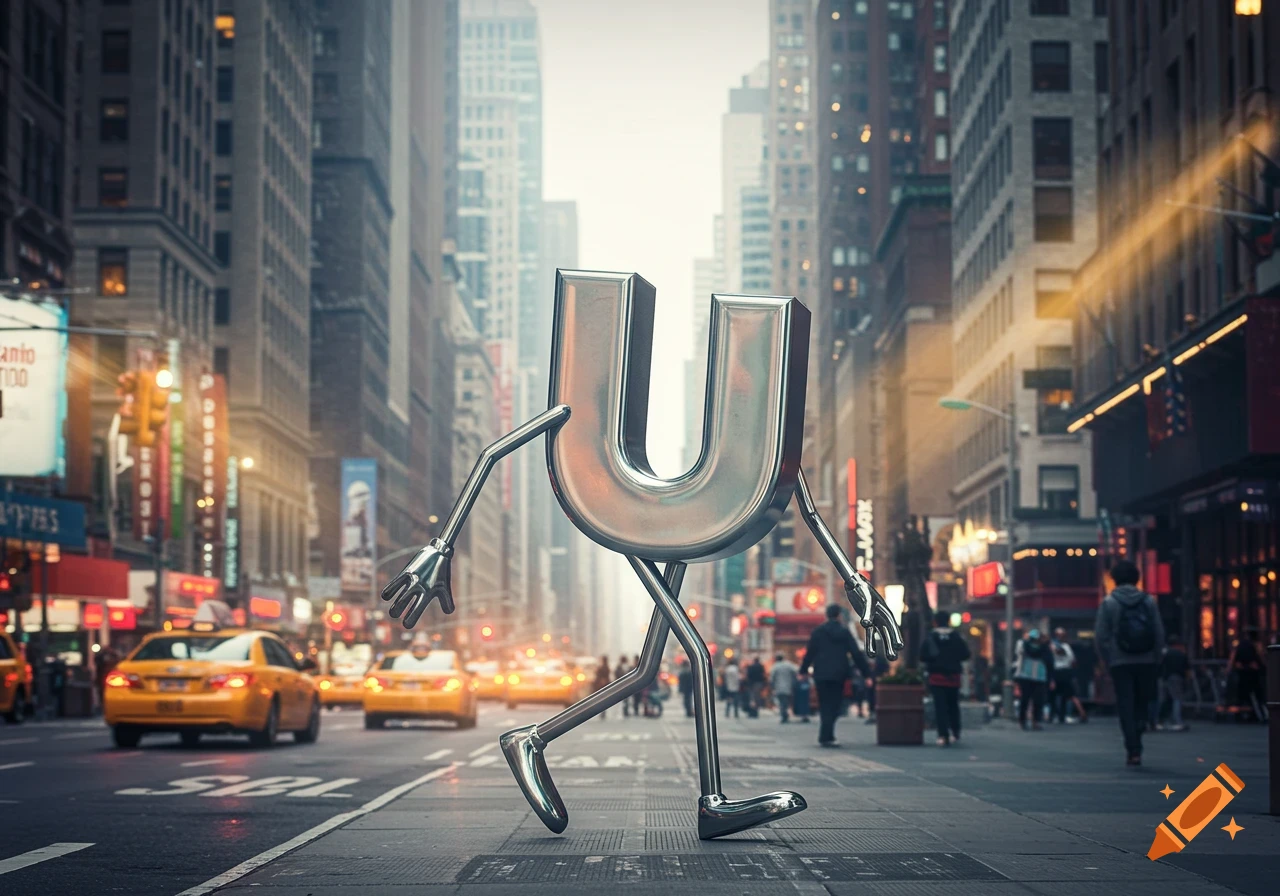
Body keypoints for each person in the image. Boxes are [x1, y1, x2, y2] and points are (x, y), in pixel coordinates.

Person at [1094, 560, 1165, 765]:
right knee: (1143, 700)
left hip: (1120, 661)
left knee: (1125, 703)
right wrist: (1157, 657)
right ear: (1137, 578)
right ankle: (1141, 726)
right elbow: (1159, 632)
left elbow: (1100, 636)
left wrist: (1106, 660)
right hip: (1146, 660)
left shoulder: (1109, 603)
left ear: (1114, 579)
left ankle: (1133, 748)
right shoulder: (1149, 601)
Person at [801, 604, 871, 747]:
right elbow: (856, 654)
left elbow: (810, 654)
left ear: (826, 615)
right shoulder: (844, 632)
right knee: (835, 704)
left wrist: (803, 671)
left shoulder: (818, 632)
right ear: (839, 615)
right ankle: (827, 735)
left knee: (824, 704)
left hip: (820, 673)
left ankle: (826, 735)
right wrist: (866, 674)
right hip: (839, 674)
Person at [921, 610, 970, 746]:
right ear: (949, 621)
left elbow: (923, 656)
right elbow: (966, 654)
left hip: (936, 677)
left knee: (940, 706)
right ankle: (956, 731)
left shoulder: (931, 637)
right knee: (953, 704)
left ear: (935, 622)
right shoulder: (956, 637)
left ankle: (943, 735)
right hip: (953, 677)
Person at [1014, 629, 1052, 731]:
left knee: (1038, 701)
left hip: (1039, 677)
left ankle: (1035, 721)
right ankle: (1023, 721)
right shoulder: (1024, 646)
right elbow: (1023, 653)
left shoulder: (1045, 648)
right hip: (1026, 676)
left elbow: (1050, 662)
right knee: (1025, 700)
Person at [1228, 628, 1267, 721]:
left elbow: (1233, 658)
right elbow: (1261, 658)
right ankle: (1258, 715)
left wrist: (1229, 669)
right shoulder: (1256, 645)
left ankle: (1241, 715)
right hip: (1253, 673)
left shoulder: (1240, 645)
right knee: (1258, 695)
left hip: (1242, 673)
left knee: (1242, 695)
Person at [1050, 628, 1088, 724]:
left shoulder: (1054, 646)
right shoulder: (1066, 646)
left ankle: (1055, 716)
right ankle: (1062, 716)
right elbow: (1073, 661)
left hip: (1058, 672)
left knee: (1056, 695)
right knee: (1067, 695)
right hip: (1065, 671)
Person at [1160, 634, 1190, 731]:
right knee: (1177, 699)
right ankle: (1177, 720)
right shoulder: (1180, 654)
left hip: (1167, 677)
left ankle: (1165, 719)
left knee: (1169, 698)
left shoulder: (1166, 654)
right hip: (1177, 677)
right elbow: (1187, 667)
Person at [770, 653, 799, 723]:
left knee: (782, 701)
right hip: (788, 686)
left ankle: (784, 715)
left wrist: (772, 686)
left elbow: (772, 678)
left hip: (778, 687)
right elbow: (797, 670)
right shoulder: (788, 665)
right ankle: (785, 714)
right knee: (785, 701)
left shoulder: (775, 666)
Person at [593, 656, 611, 720]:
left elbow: (598, 675)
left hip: (602, 685)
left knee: (602, 699)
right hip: (605, 685)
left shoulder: (602, 668)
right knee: (603, 699)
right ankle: (603, 712)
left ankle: (602, 712)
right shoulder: (606, 667)